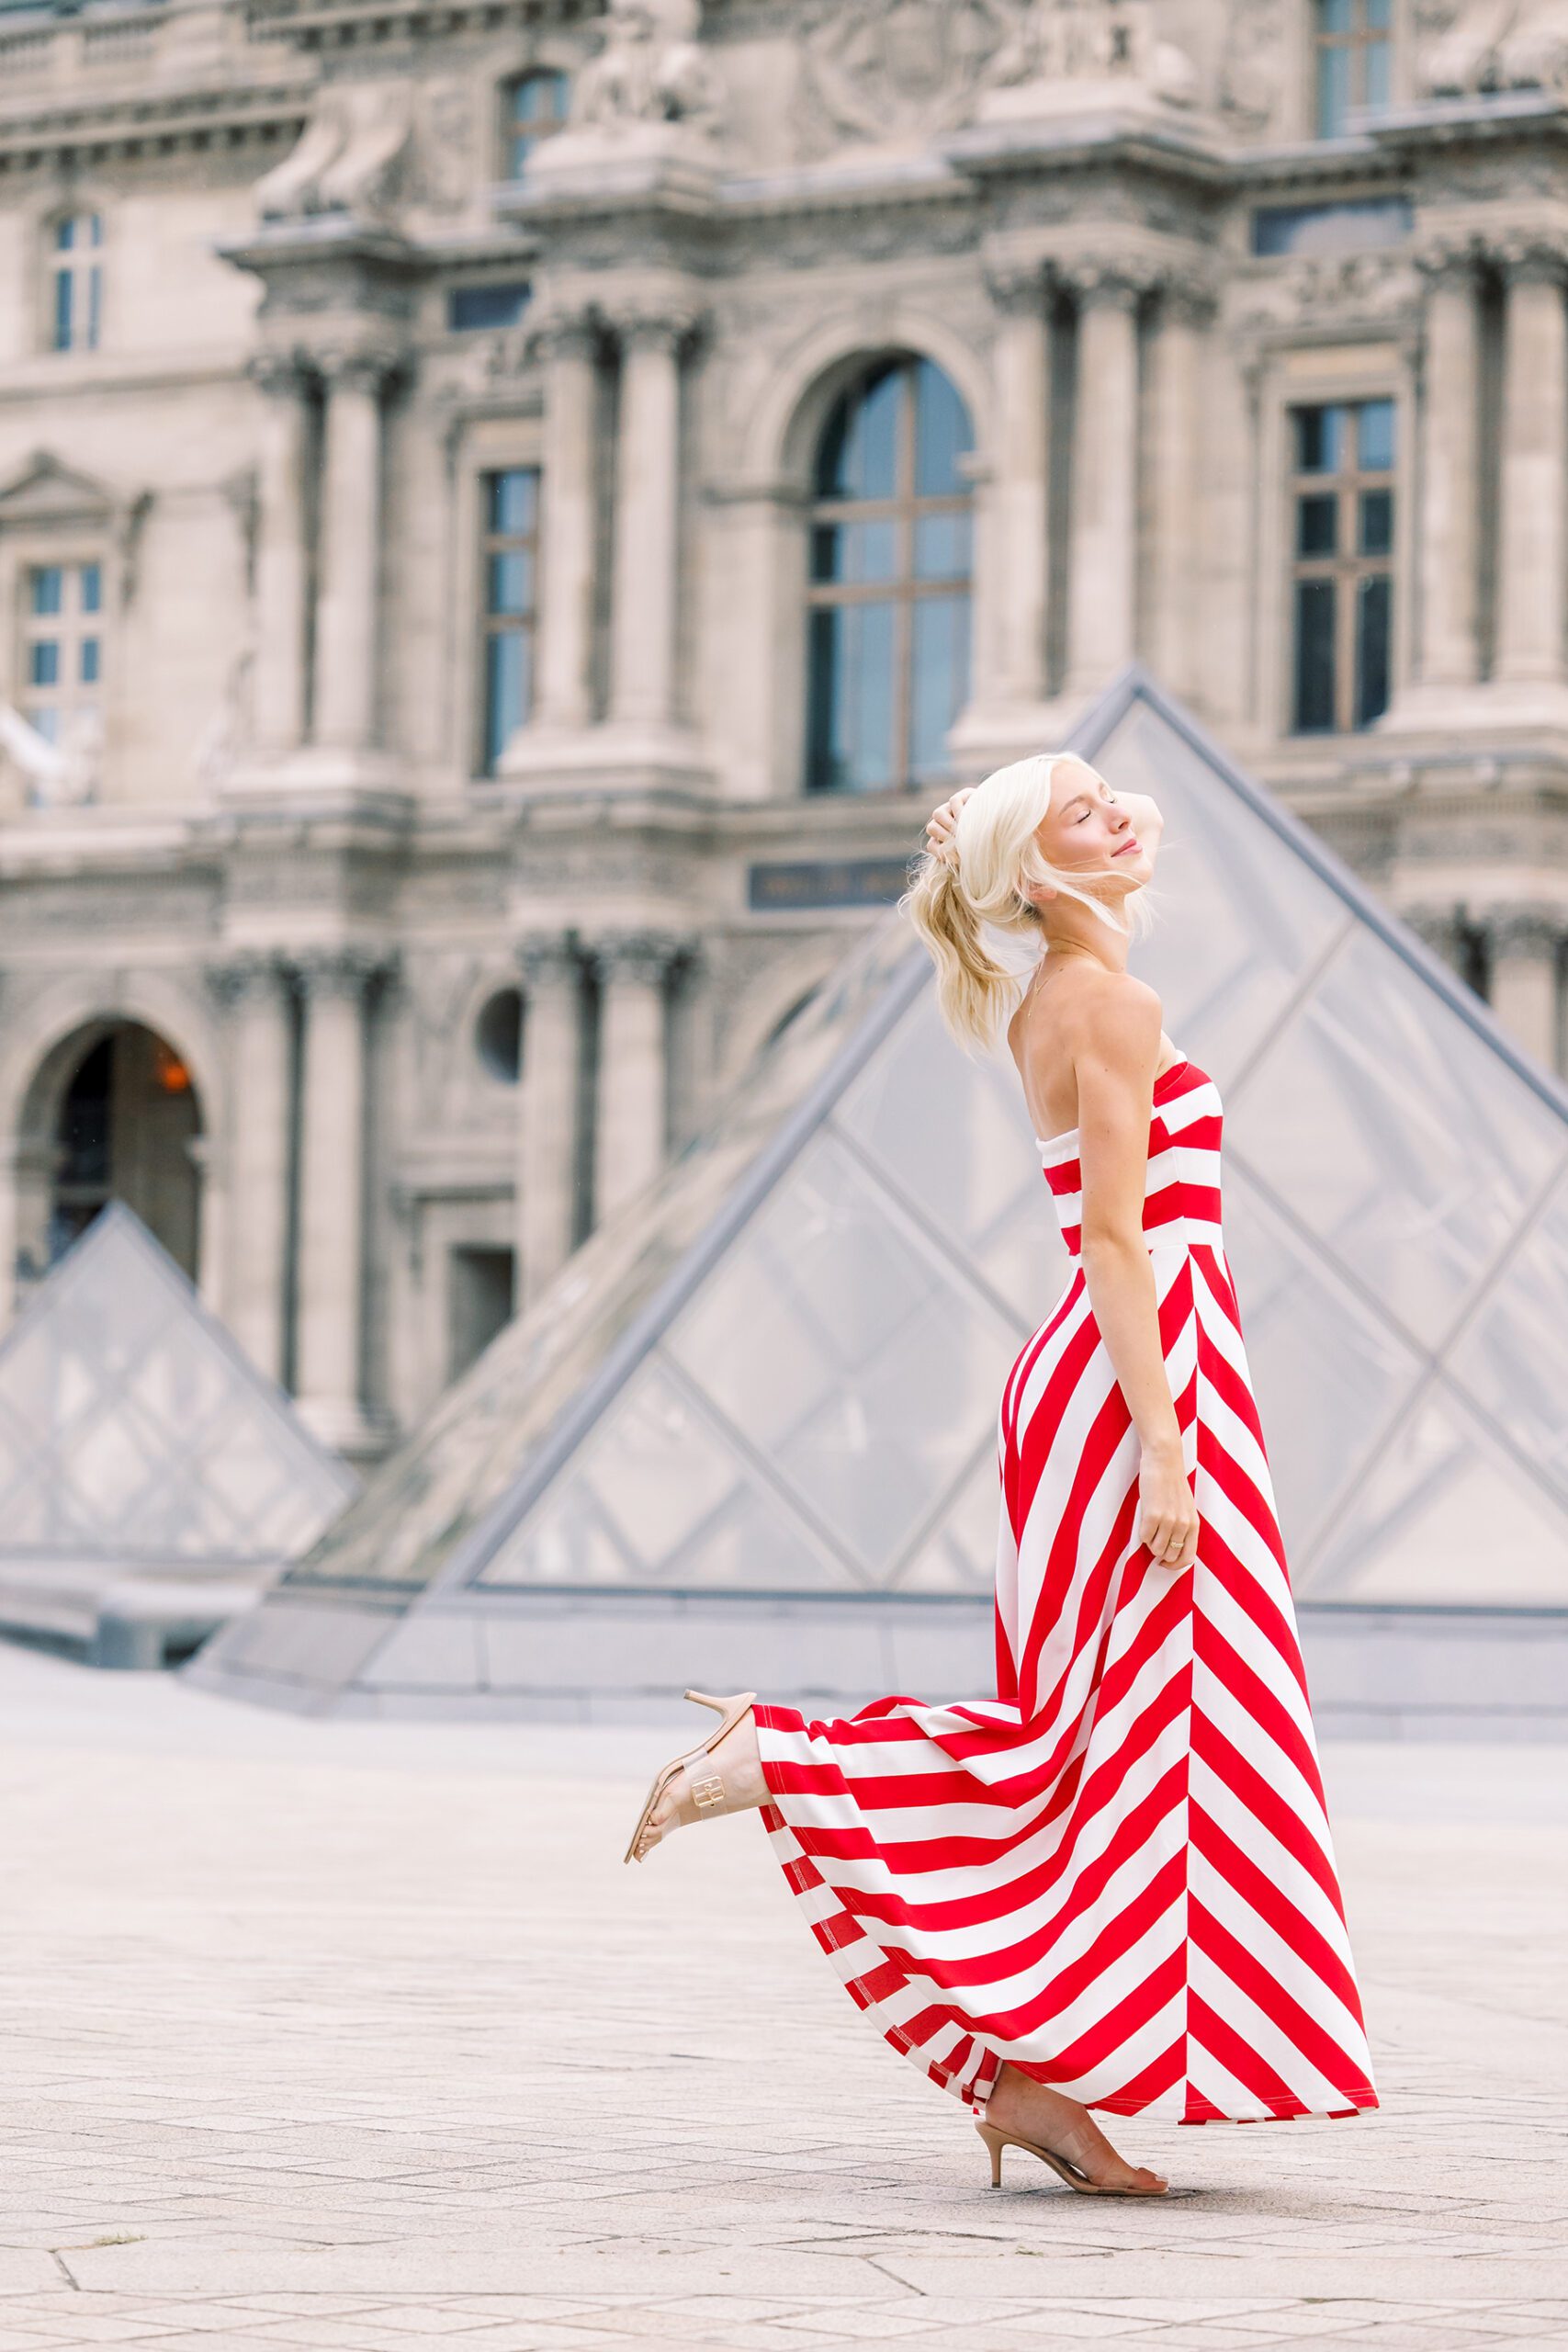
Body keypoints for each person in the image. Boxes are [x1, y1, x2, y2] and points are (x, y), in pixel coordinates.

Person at [624, 750, 1379, 2197]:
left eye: (1112, 799)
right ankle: (791, 1756)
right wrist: (1168, 1447)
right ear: (1037, 876)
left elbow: (1105, 856)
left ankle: (1037, 2089)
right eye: (1087, 813)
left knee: (1109, 1735)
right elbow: (1114, 1237)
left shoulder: (1053, 990)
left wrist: (1041, 829)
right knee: (1114, 1735)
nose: (1125, 816)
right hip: (1145, 1374)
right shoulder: (1113, 1001)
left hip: (1110, 1371)